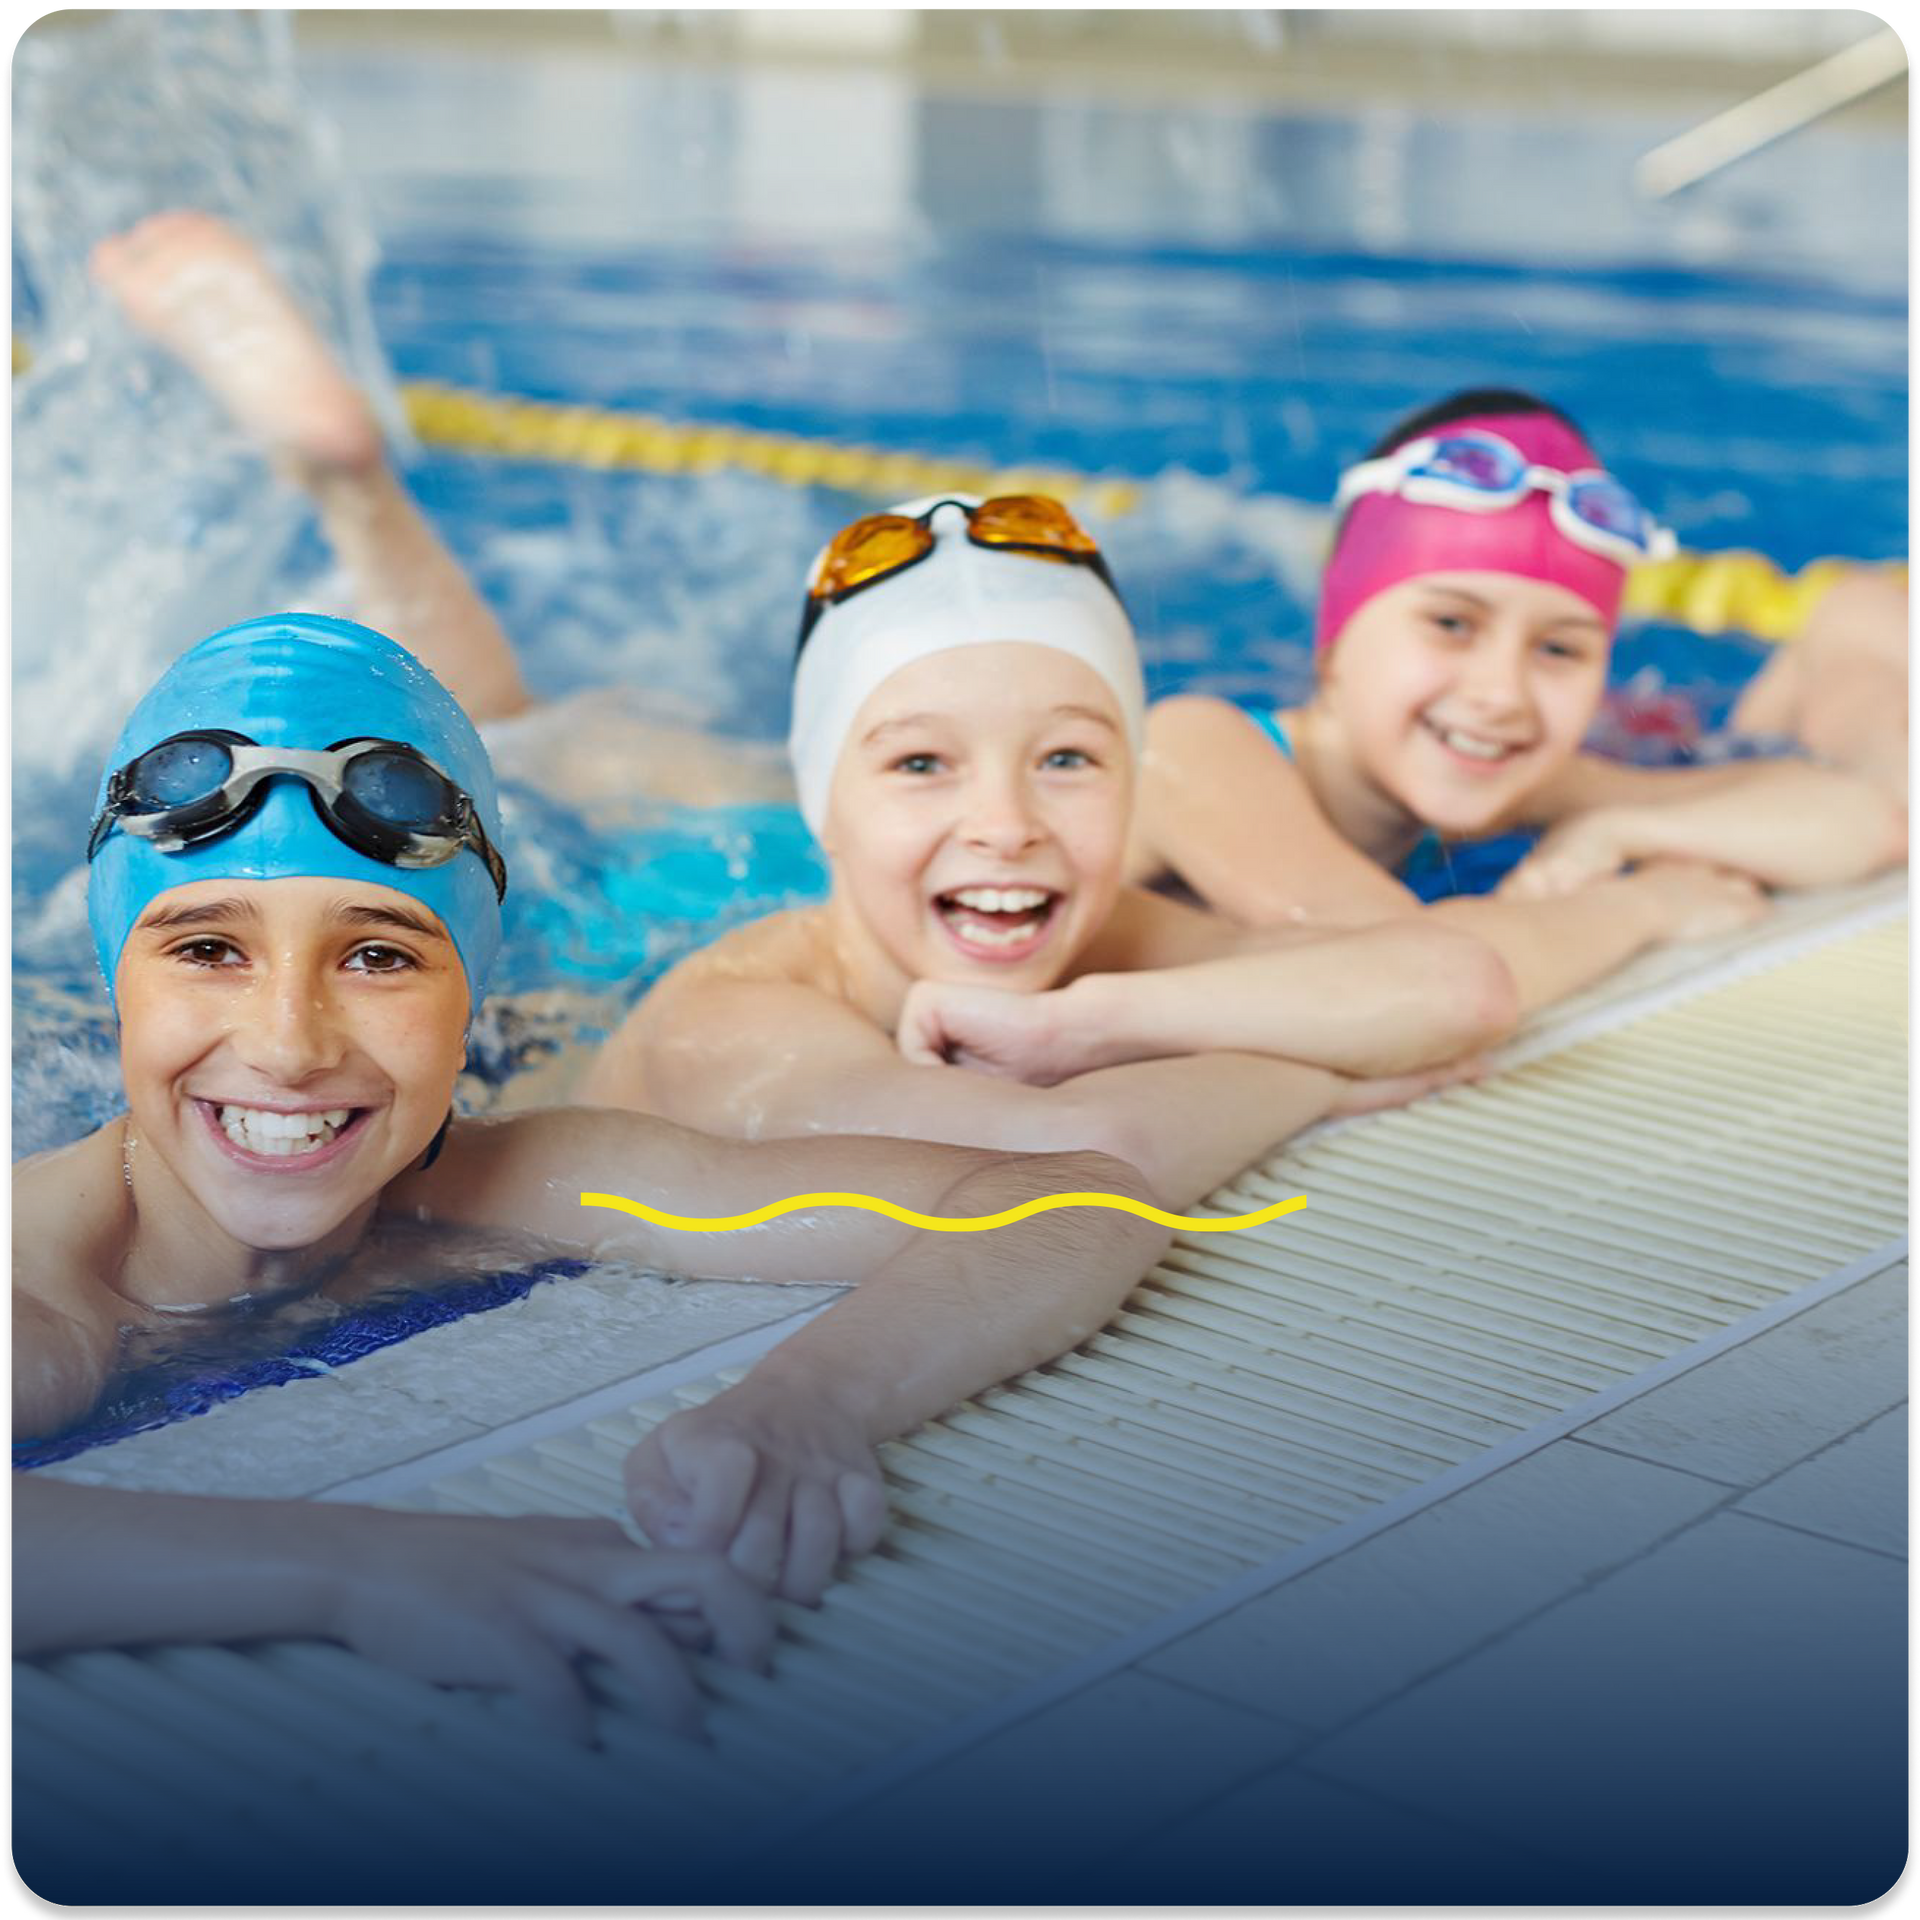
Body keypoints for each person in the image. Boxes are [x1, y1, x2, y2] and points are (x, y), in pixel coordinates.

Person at [12, 613, 1169, 1735]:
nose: (288, 1044)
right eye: (208, 951)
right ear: (119, 986)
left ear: (470, 996)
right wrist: (353, 1570)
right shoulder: (49, 1302)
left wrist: (808, 1404)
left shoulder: (498, 1180)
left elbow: (1077, 1199)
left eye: (379, 955)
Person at [581, 493, 1520, 1192]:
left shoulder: (1108, 947)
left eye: (1066, 758)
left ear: (1131, 777)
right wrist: (1319, 1074)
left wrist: (1085, 1023)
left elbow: (1460, 986)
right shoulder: (731, 1021)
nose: (1006, 827)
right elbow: (1079, 1156)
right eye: (921, 765)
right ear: (823, 802)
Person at [1127, 390, 1904, 1011]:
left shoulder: (1498, 776)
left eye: (1559, 649)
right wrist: (1645, 907)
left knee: (1871, 613)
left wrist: (1621, 822)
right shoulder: (1193, 747)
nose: (1501, 695)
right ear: (1333, 642)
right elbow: (1412, 970)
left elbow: (1870, 821)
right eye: (1451, 624)